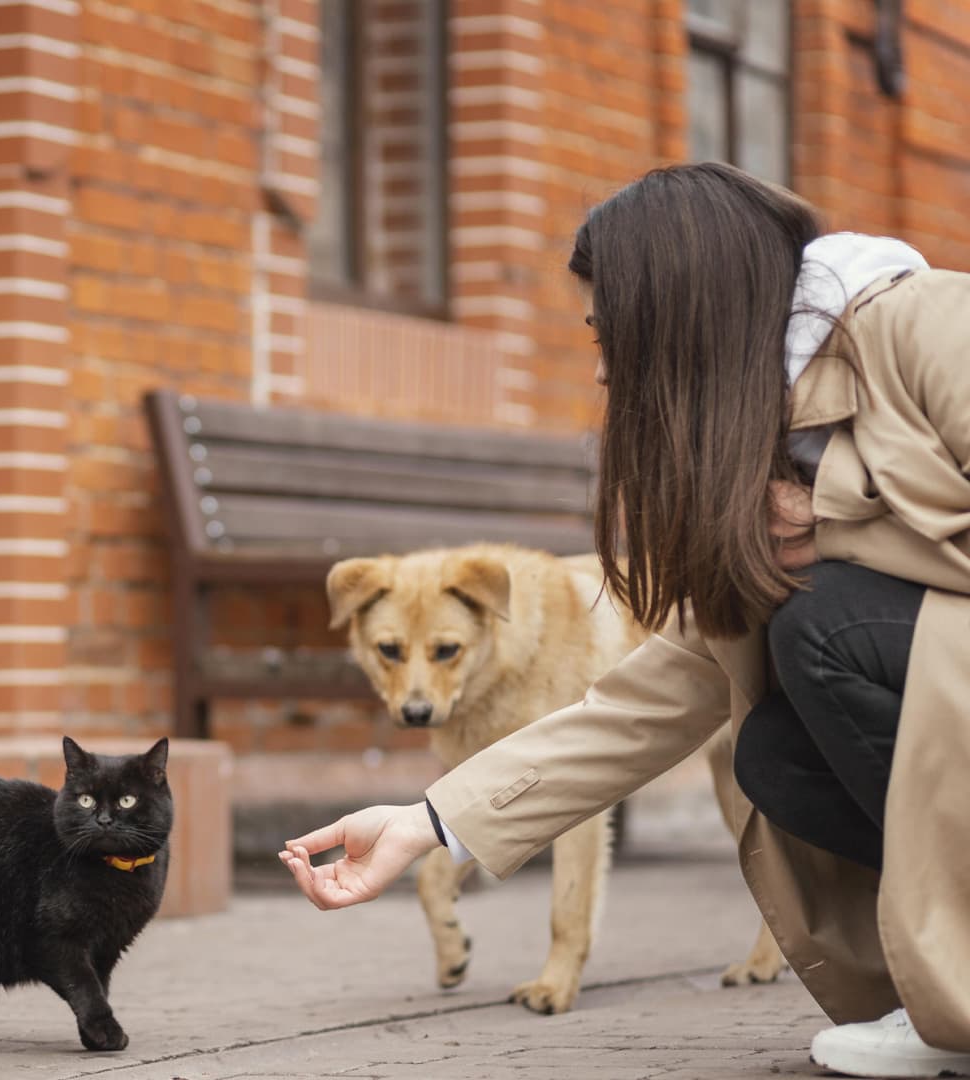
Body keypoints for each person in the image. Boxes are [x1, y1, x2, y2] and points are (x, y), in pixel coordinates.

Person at [279, 162, 970, 1080]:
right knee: (772, 748)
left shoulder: (920, 323)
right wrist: (431, 820)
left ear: (683, 309)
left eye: (614, 333)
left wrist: (842, 506)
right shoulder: (752, 446)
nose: (605, 368)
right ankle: (947, 991)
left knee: (823, 631)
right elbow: (653, 694)